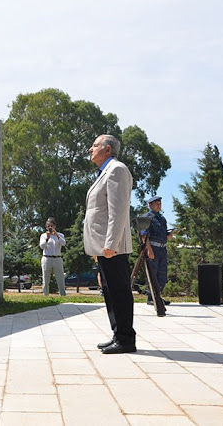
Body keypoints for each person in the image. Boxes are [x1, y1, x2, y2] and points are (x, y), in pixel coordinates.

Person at [83, 134, 136, 354]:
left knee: (119, 292)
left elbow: (118, 210)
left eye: (94, 145)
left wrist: (111, 244)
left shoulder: (117, 170)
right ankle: (118, 335)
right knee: (110, 292)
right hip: (104, 248)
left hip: (112, 247)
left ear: (107, 149)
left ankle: (125, 339)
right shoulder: (104, 172)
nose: (90, 149)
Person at [142, 195, 173, 306]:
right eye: (156, 203)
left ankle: (158, 296)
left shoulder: (162, 218)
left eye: (160, 203)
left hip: (162, 249)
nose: (159, 205)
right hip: (153, 248)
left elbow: (164, 235)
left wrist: (169, 236)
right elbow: (144, 236)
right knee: (152, 273)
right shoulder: (147, 217)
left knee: (162, 274)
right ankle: (151, 297)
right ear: (150, 205)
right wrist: (149, 250)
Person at [39, 217, 67, 296]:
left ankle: (62, 295)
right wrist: (47, 239)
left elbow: (63, 243)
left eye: (51, 226)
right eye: (48, 226)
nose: (50, 228)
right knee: (45, 279)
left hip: (57, 258)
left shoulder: (60, 235)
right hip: (47, 258)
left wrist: (57, 235)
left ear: (54, 226)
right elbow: (42, 246)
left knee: (60, 278)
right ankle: (45, 295)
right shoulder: (44, 236)